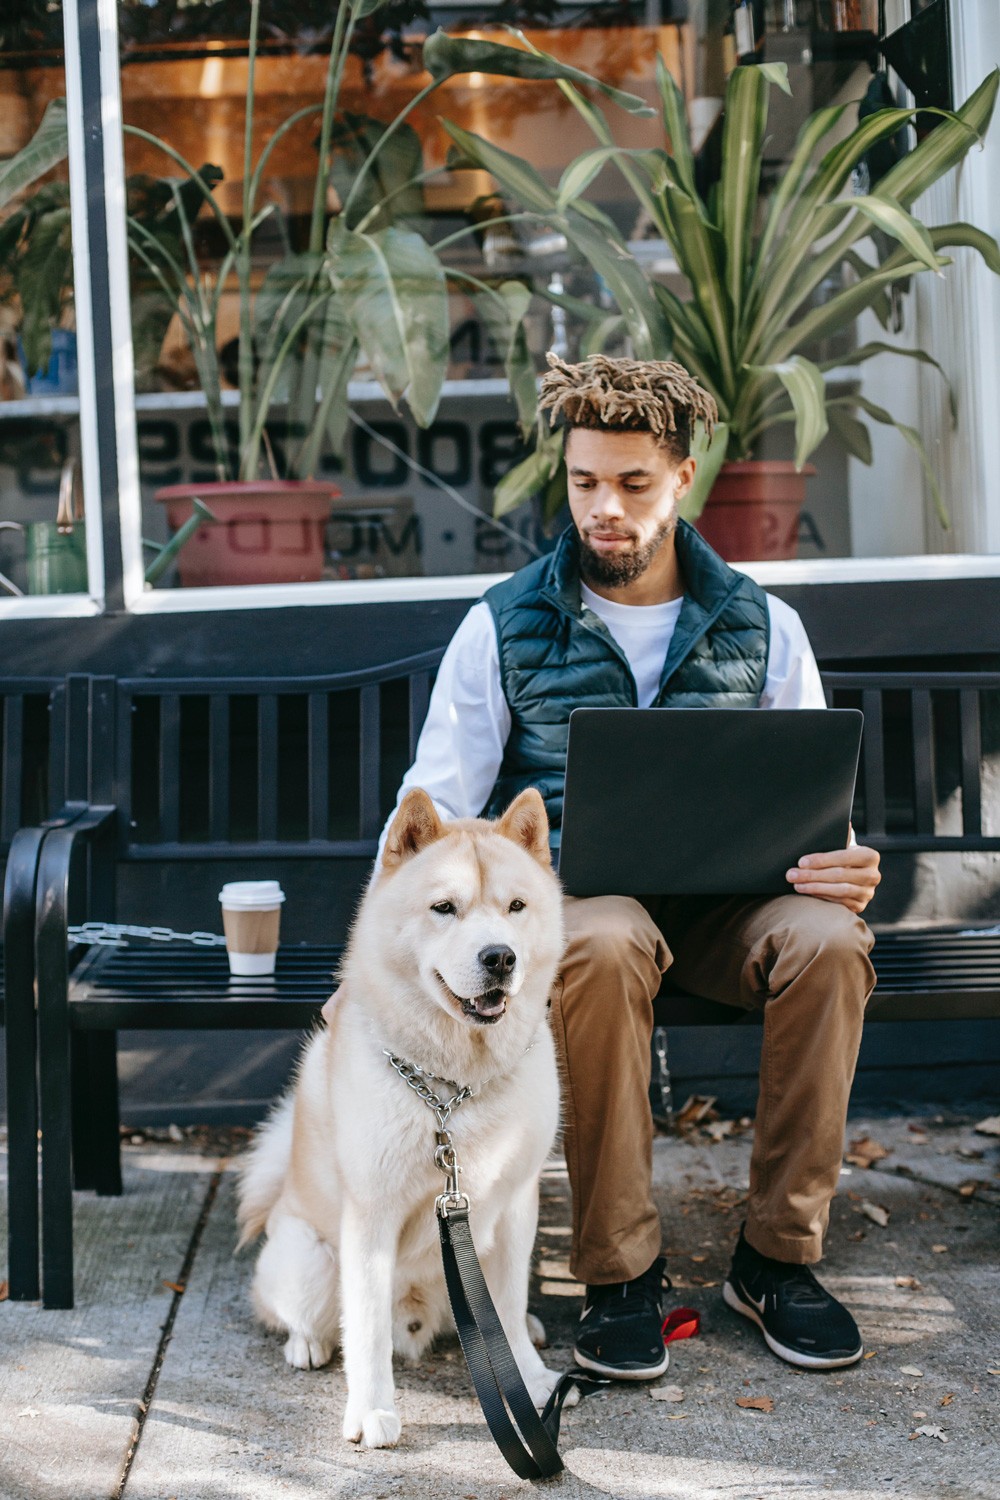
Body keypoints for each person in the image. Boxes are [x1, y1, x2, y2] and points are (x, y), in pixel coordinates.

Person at [326, 353, 881, 1378]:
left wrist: (843, 866)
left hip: (732, 911)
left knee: (830, 943)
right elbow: (430, 818)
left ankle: (775, 1262)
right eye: (585, 483)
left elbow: (813, 804)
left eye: (631, 484)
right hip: (587, 916)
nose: (603, 509)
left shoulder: (763, 625)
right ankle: (620, 1274)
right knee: (604, 932)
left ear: (683, 474)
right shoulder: (503, 626)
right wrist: (357, 975)